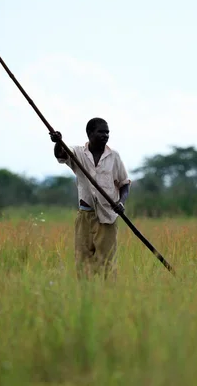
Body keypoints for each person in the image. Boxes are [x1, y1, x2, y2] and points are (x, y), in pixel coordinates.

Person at [50, 117, 131, 280]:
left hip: (107, 217)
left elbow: (124, 184)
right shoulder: (78, 153)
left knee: (107, 263)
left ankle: (108, 298)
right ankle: (86, 296)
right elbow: (60, 154)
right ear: (89, 133)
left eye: (107, 132)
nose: (105, 135)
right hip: (85, 216)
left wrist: (121, 203)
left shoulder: (114, 156)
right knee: (82, 261)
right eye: (101, 132)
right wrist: (58, 142)